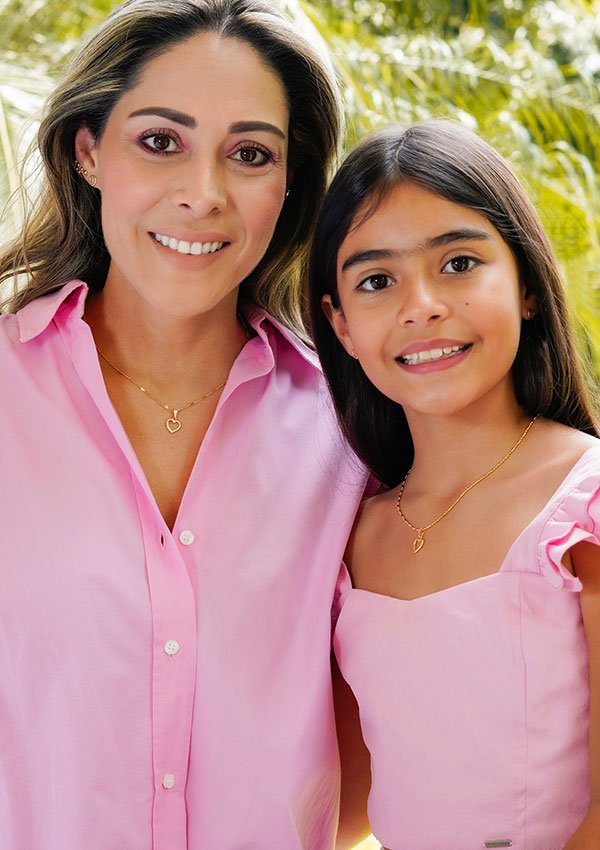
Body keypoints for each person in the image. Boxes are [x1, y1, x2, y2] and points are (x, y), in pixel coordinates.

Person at [0, 2, 369, 848]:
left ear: (290, 184)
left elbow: (370, 753)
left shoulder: (353, 431)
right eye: (160, 141)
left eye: (249, 154)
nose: (202, 194)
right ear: (89, 151)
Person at [309, 121, 600, 850]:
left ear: (528, 285)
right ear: (339, 324)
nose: (422, 306)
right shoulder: (348, 537)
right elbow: (348, 811)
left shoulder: (582, 501)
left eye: (460, 263)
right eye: (377, 281)